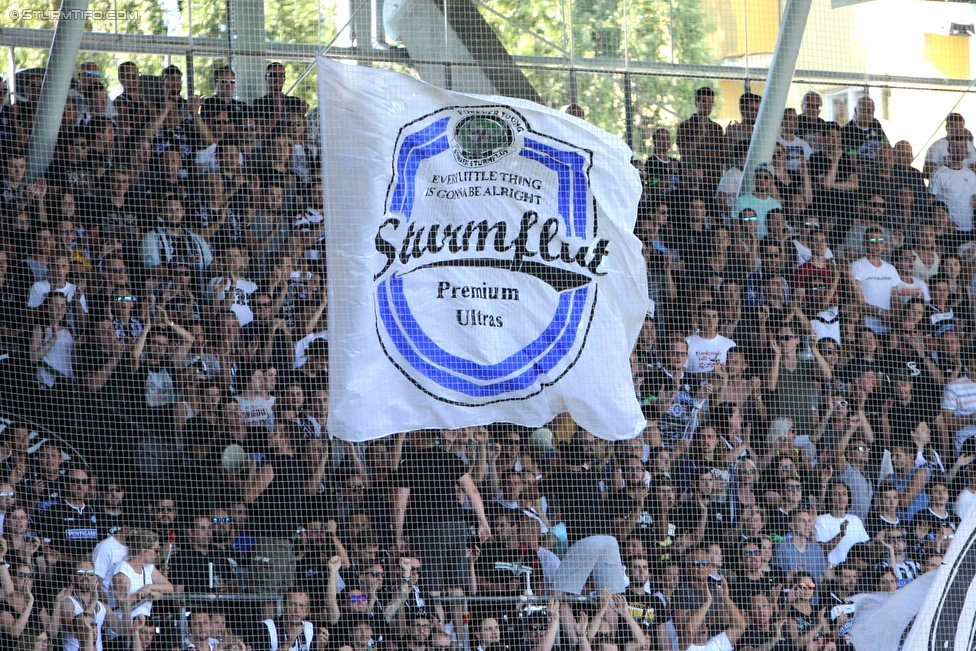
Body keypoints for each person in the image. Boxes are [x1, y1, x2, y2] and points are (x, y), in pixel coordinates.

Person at [250, 590, 315, 651]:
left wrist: (320, 648)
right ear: (283, 607)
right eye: (292, 605)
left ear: (307, 611)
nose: (297, 610)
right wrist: (287, 645)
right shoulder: (266, 628)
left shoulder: (310, 629)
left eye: (301, 606)